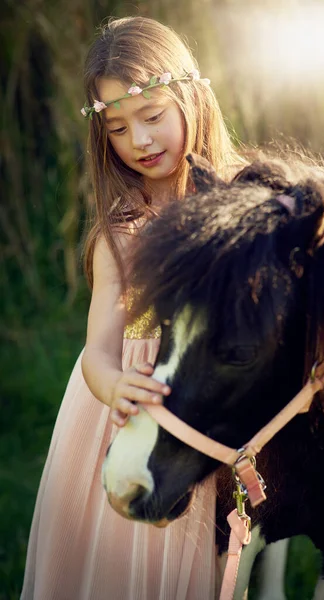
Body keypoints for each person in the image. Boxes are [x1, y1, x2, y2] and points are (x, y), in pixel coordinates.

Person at [20, 16, 244, 600]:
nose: (139, 141)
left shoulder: (243, 200)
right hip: (128, 414)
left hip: (205, 403)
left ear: (192, 99)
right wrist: (115, 385)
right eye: (118, 128)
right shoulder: (120, 234)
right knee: (122, 560)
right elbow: (96, 349)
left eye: (152, 116)